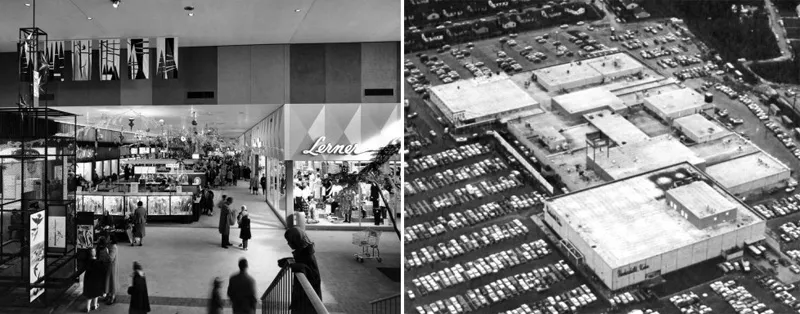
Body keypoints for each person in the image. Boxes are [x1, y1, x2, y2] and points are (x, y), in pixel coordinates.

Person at [279, 228, 322, 313]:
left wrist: (293, 265)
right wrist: (288, 261)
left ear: (295, 241)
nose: (288, 243)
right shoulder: (304, 251)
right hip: (303, 298)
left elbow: (310, 272)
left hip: (308, 301)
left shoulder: (307, 255)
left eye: (289, 241)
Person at [84, 247, 107, 312]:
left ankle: (88, 307)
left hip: (88, 279)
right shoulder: (98, 262)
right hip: (96, 279)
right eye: (94, 251)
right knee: (95, 293)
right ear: (94, 253)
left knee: (89, 294)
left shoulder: (87, 261)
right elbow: (103, 270)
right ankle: (95, 305)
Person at [97, 236, 118, 305]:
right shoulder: (110, 245)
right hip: (107, 266)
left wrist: (104, 253)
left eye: (108, 238)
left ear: (111, 240)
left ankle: (113, 297)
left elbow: (110, 258)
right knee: (108, 281)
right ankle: (109, 295)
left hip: (111, 267)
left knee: (111, 281)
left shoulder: (113, 247)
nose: (107, 239)